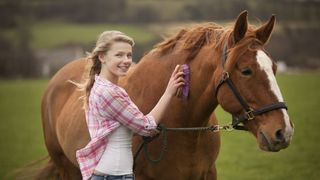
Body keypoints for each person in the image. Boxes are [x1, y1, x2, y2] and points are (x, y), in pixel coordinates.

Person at [75, 31, 185, 180]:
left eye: (129, 55)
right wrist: (168, 92)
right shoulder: (109, 93)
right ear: (102, 57)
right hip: (115, 176)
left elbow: (124, 128)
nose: (126, 60)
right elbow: (146, 127)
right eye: (119, 55)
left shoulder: (101, 87)